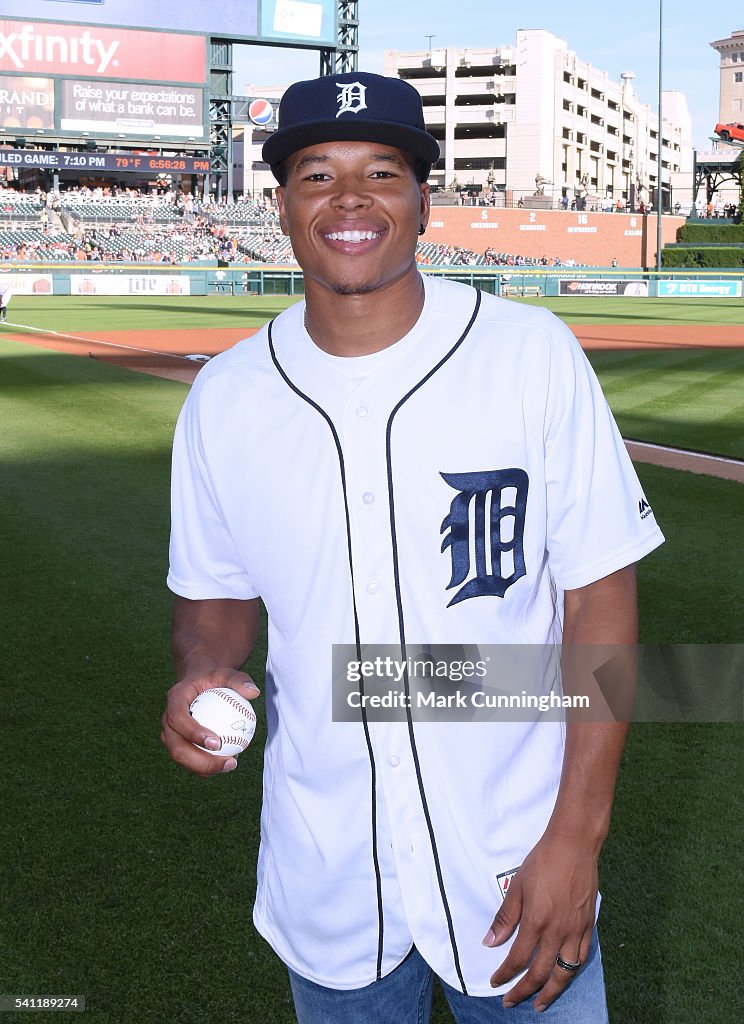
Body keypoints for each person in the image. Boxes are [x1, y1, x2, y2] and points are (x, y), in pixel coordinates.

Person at [161, 71, 664, 1023]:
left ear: (423, 201)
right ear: (281, 207)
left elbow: (600, 601)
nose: (350, 198)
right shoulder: (225, 399)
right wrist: (204, 671)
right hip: (326, 871)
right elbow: (214, 595)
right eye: (318, 175)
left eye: (382, 172)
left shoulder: (529, 354)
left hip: (517, 867)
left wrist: (577, 840)